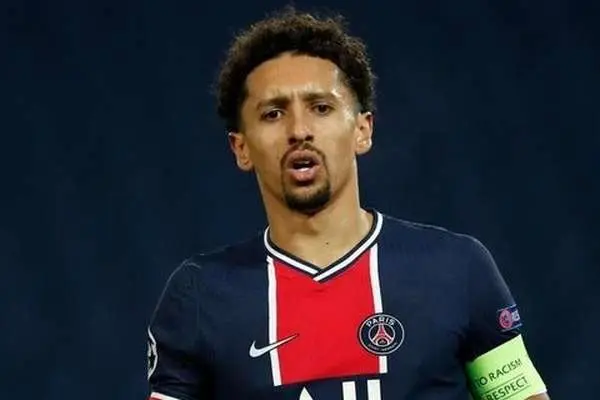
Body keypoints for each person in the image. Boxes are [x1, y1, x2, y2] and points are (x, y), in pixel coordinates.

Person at [146, 7, 549, 400]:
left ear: (362, 130)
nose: (299, 130)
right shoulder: (199, 295)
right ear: (241, 148)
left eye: (321, 108)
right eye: (273, 113)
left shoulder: (458, 270)